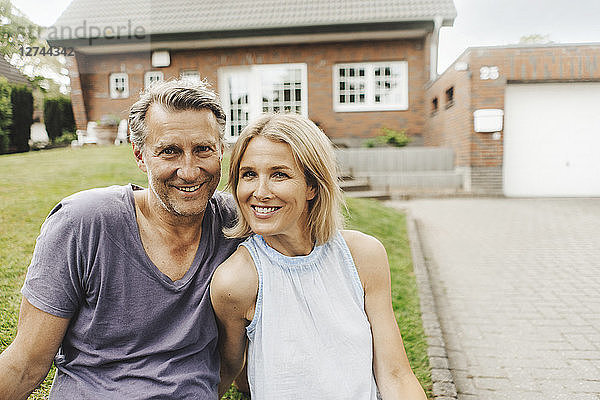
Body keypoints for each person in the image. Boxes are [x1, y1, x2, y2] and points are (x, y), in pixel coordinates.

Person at [0, 79, 243, 399]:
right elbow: (25, 364)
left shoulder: (237, 223)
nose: (189, 170)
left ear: (221, 151)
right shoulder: (82, 224)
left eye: (203, 150)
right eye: (169, 151)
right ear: (140, 155)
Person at [211, 113, 427, 399]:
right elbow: (232, 371)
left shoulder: (364, 256)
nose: (260, 192)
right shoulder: (236, 280)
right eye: (248, 174)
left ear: (312, 185)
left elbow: (396, 375)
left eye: (279, 174)